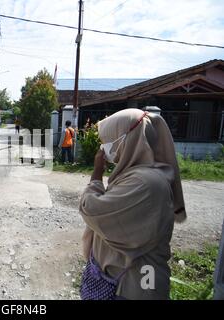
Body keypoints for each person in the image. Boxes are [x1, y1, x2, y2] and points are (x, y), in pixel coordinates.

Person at [79, 108, 186, 300]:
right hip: (121, 281)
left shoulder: (145, 183)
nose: (104, 148)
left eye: (108, 141)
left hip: (136, 286)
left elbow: (91, 209)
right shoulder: (133, 175)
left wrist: (96, 175)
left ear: (127, 139)